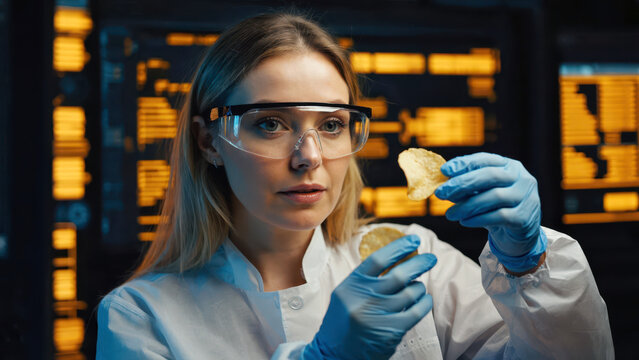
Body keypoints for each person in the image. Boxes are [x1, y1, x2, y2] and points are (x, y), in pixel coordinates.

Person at [97, 12, 614, 359]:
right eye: (271, 123)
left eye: (331, 124)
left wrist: (532, 265)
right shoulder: (140, 319)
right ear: (209, 142)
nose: (309, 157)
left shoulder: (417, 262)